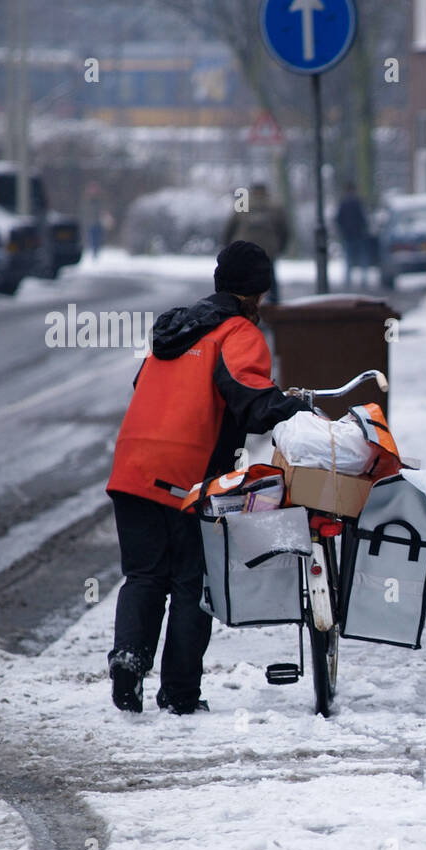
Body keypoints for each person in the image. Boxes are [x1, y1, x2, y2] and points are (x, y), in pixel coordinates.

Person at [104, 241, 309, 715]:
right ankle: (179, 694)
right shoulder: (236, 333)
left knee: (143, 575)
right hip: (186, 478)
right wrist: (297, 409)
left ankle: (130, 659)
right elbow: (250, 397)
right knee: (191, 586)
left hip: (131, 468)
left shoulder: (176, 329)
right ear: (256, 293)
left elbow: (146, 388)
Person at [221, 183, 289, 303]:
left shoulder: (243, 203)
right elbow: (283, 230)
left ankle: (240, 301)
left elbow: (231, 226)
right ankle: (273, 303)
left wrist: (227, 245)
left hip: (244, 248)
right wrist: (280, 247)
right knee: (269, 276)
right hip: (267, 249)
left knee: (242, 276)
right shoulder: (275, 206)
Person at [334, 182, 370, 288]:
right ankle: (363, 279)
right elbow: (363, 218)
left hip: (347, 234)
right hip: (359, 234)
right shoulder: (358, 202)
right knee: (362, 257)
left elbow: (338, 219)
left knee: (348, 257)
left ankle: (348, 280)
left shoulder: (343, 203)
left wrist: (343, 230)